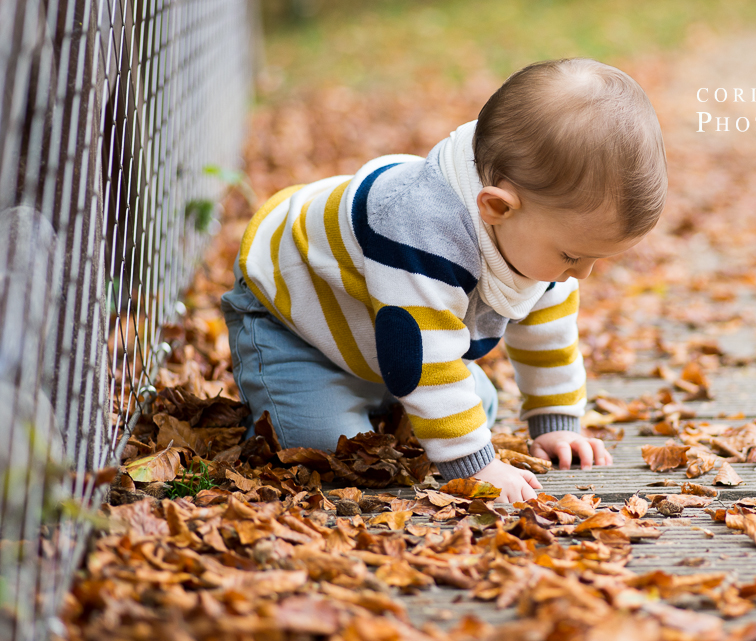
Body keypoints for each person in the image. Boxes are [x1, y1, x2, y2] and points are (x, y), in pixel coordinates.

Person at [221, 58, 667, 502]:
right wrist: (476, 464)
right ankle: (334, 388)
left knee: (474, 410)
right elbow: (423, 356)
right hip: (293, 311)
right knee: (324, 446)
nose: (582, 274)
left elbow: (549, 330)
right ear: (496, 207)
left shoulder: (539, 228)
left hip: (379, 323)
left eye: (594, 259)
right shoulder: (419, 229)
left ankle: (382, 391)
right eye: (573, 256)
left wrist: (555, 422)